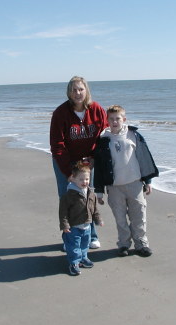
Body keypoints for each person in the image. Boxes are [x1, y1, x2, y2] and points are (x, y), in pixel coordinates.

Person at [50, 76, 108, 249]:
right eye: (74, 90)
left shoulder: (96, 109)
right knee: (68, 199)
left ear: (86, 90)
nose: (77, 93)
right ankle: (69, 239)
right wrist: (69, 173)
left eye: (81, 89)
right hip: (65, 162)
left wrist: (95, 158)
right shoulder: (60, 113)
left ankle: (91, 237)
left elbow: (104, 137)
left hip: (88, 164)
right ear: (69, 92)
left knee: (87, 198)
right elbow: (57, 145)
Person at [93, 105, 159, 257]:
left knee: (139, 216)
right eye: (111, 119)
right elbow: (100, 168)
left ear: (124, 119)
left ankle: (141, 244)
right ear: (107, 120)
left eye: (118, 118)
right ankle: (123, 244)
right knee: (120, 219)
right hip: (114, 187)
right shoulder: (103, 140)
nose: (115, 122)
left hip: (135, 184)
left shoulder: (133, 135)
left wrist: (148, 180)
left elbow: (144, 158)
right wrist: (99, 191)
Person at [59, 162, 104, 276]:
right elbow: (63, 212)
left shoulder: (90, 193)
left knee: (85, 244)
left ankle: (83, 258)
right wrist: (65, 225)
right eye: (81, 179)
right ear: (73, 179)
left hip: (87, 226)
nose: (85, 182)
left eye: (87, 179)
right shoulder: (69, 195)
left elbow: (94, 208)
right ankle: (74, 263)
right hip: (73, 227)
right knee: (74, 247)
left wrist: (98, 219)